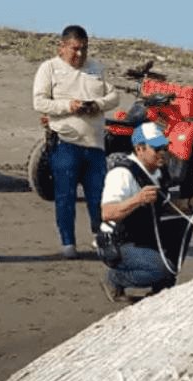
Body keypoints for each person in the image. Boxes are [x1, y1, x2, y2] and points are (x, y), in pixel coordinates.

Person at [32, 24, 118, 259]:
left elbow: (113, 96)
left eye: (84, 49)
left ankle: (100, 239)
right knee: (65, 194)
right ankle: (68, 242)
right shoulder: (49, 68)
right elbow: (39, 102)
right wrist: (68, 106)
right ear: (62, 47)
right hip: (65, 142)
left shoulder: (96, 69)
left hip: (95, 145)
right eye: (75, 49)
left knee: (97, 195)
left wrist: (96, 105)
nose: (80, 54)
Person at [97, 122, 193, 303]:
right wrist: (138, 199)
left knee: (183, 227)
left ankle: (163, 286)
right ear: (139, 149)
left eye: (165, 147)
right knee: (160, 268)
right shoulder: (122, 174)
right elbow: (107, 213)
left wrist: (188, 204)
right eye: (157, 148)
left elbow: (163, 204)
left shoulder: (159, 173)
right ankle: (114, 279)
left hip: (144, 233)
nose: (163, 152)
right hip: (120, 240)